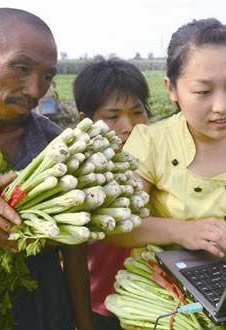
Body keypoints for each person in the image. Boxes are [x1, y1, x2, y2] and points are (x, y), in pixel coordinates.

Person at [107, 18, 226, 259]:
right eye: (203, 92)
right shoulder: (151, 143)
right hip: (162, 278)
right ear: (172, 89)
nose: (222, 106)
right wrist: (180, 231)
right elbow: (116, 227)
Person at [0, 8, 91, 329]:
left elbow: (75, 255)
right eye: (21, 67)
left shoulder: (57, 150)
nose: (35, 90)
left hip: (41, 314)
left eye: (47, 76)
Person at [73, 58, 151, 330]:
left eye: (137, 112)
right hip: (102, 303)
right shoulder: (79, 176)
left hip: (153, 300)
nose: (128, 125)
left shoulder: (160, 158)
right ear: (87, 121)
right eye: (113, 116)